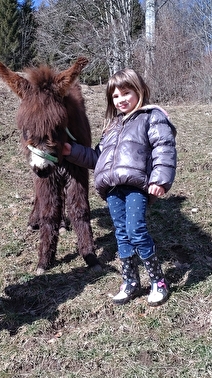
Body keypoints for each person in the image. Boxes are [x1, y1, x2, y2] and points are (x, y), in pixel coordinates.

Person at [63, 69, 177, 306]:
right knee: (122, 235)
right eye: (115, 96)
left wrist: (160, 180)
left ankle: (158, 281)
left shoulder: (151, 116)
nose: (121, 99)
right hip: (113, 190)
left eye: (126, 93)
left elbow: (163, 148)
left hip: (136, 186)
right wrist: (71, 151)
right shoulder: (112, 126)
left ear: (139, 91)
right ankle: (130, 282)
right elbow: (98, 157)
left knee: (136, 230)